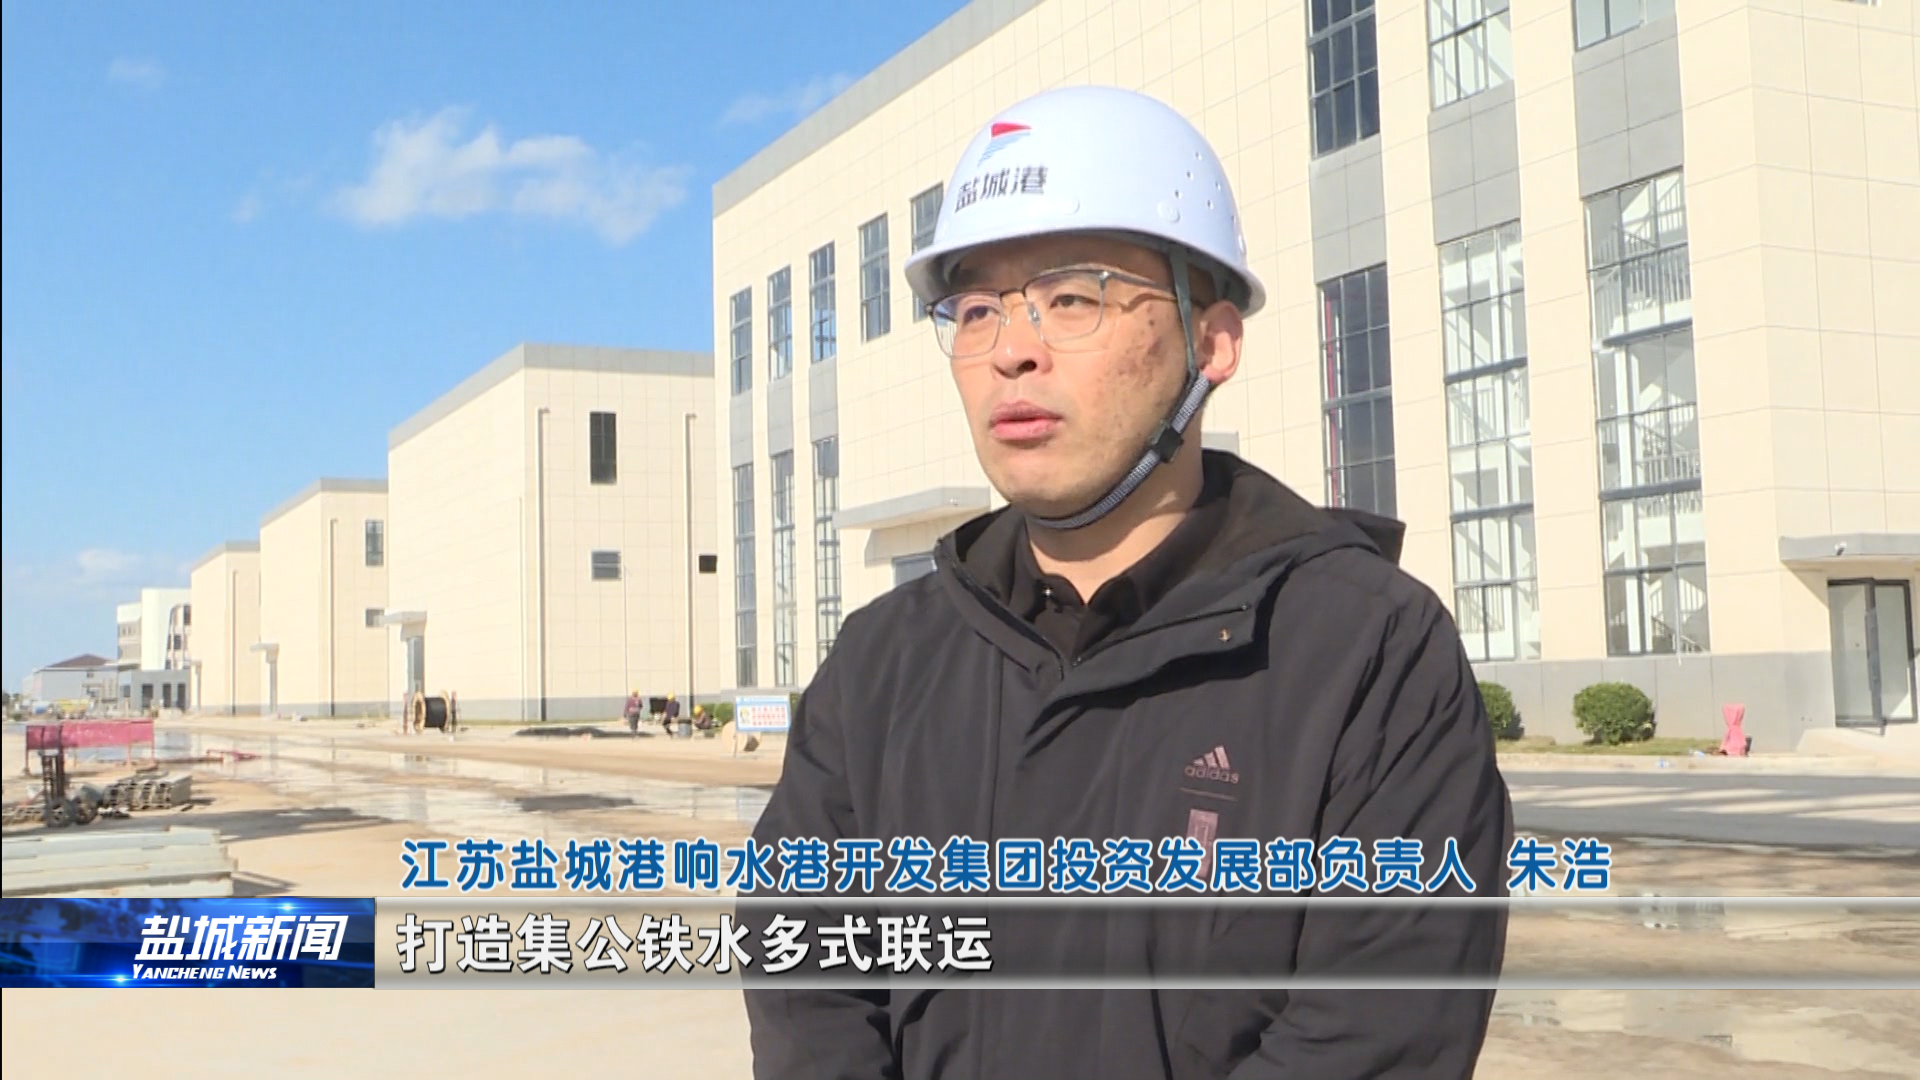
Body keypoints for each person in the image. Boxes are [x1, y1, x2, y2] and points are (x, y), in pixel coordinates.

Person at [739, 85, 1514, 1080]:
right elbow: (804, 965)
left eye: (1073, 298)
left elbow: (1376, 1030)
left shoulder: (1366, 650)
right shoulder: (883, 663)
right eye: (976, 310)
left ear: (1213, 341)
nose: (1012, 351)